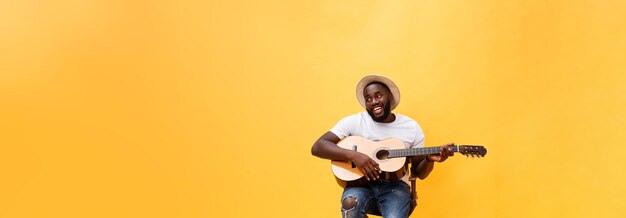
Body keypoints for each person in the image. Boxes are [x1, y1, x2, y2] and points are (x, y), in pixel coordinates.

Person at [311, 74, 454, 218]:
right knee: (350, 206)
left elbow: (419, 173)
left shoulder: (411, 127)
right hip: (360, 185)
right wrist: (355, 156)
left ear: (390, 97)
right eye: (368, 99)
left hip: (395, 188)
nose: (373, 102)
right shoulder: (355, 121)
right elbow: (318, 147)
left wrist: (428, 160)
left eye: (378, 96)